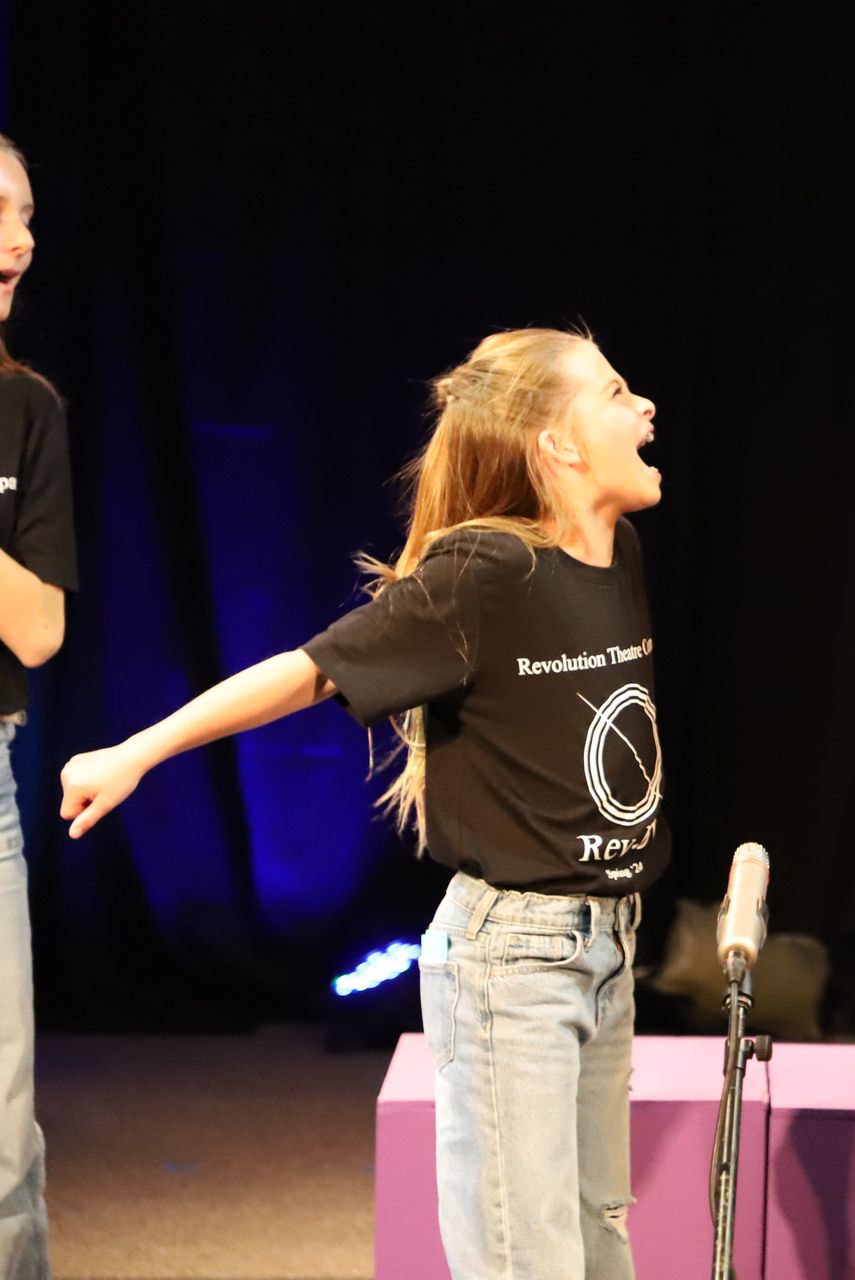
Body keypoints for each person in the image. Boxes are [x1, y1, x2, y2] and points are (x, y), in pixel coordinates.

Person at [60, 328, 670, 1280]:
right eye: (617, 393)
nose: (646, 409)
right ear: (556, 444)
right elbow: (308, 672)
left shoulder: (617, 554)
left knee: (599, 1239)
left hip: (607, 946)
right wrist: (139, 751)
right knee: (529, 1257)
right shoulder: (483, 573)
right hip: (517, 959)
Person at [0, 131, 73, 1280]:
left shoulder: (28, 408)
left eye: (21, 215)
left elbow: (37, 628)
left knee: (1, 1135)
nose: (18, 240)